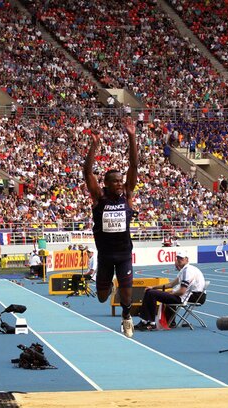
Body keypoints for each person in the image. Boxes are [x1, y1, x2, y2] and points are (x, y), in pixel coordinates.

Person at [84, 117, 138, 337]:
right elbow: (87, 172)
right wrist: (95, 145)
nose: (119, 183)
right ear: (106, 184)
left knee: (127, 296)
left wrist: (132, 137)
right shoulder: (99, 198)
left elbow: (134, 165)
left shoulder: (127, 194)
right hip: (105, 256)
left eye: (120, 180)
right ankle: (111, 287)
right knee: (102, 297)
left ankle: (126, 317)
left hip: (124, 254)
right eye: (114, 181)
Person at [136, 250, 205, 331]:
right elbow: (171, 284)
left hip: (194, 297)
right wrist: (153, 287)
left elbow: (182, 291)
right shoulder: (185, 269)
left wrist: (172, 293)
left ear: (187, 259)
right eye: (178, 258)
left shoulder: (188, 271)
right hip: (192, 295)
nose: (179, 260)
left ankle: (150, 322)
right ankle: (148, 321)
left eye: (181, 258)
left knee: (151, 294)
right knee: (151, 291)